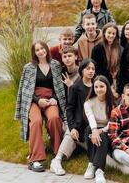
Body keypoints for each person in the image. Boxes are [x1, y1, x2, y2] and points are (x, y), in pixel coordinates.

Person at [15, 41, 66, 172]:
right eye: (37, 50)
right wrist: (38, 101)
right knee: (36, 121)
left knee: (54, 118)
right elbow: (25, 90)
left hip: (50, 99)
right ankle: (35, 159)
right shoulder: (29, 67)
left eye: (42, 48)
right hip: (34, 100)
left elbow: (59, 86)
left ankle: (58, 152)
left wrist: (54, 99)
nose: (40, 51)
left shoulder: (55, 65)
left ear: (46, 49)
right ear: (34, 53)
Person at [49, 46, 80, 176]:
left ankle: (57, 159)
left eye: (70, 56)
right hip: (64, 112)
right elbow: (56, 92)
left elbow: (84, 96)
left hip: (78, 113)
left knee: (71, 130)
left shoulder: (82, 73)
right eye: (65, 56)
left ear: (76, 57)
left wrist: (71, 87)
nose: (67, 59)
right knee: (69, 130)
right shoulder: (61, 73)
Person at [83, 75, 115, 183]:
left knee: (103, 137)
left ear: (107, 87)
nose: (98, 89)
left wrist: (102, 130)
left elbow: (113, 122)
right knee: (88, 130)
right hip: (94, 128)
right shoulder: (88, 103)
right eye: (96, 87)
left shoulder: (112, 102)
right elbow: (91, 118)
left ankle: (99, 170)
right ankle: (92, 164)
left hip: (108, 130)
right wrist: (94, 130)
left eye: (101, 86)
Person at [91, 22, 122, 98]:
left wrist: (119, 90)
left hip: (118, 83)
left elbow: (123, 69)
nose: (111, 35)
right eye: (109, 33)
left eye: (113, 33)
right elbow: (97, 69)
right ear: (104, 33)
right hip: (103, 83)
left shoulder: (120, 49)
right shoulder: (97, 49)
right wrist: (108, 86)